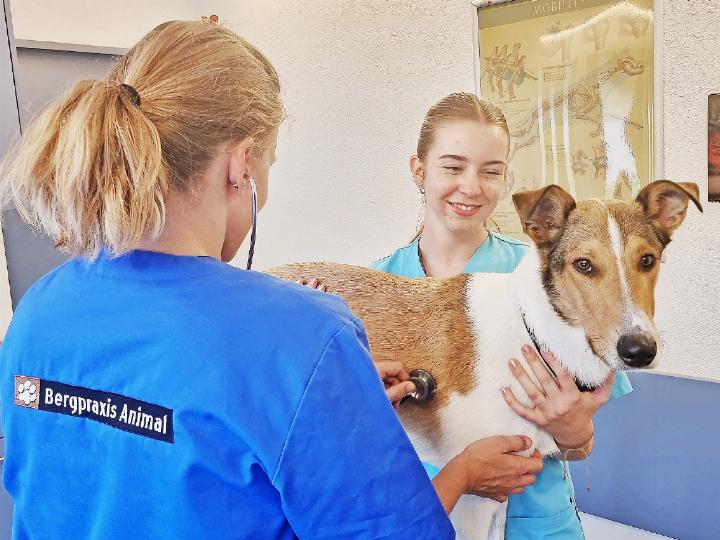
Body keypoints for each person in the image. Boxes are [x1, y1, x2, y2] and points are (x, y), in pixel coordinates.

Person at [0, 22, 542, 539]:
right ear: (240, 166)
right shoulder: (304, 335)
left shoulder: (40, 311)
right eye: (270, 164)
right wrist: (462, 475)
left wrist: (330, 399)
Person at [371, 92, 633, 539]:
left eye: (490, 171)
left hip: (539, 524)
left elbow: (583, 442)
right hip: (429, 518)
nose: (471, 187)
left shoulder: (553, 276)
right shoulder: (380, 289)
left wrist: (572, 429)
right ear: (419, 170)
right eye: (452, 167)